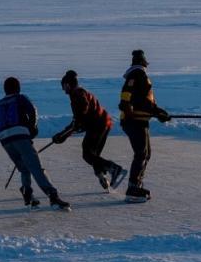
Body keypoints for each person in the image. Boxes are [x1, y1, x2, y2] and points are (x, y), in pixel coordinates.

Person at [0, 76, 70, 210]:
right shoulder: (20, 98)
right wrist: (32, 128)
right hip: (20, 136)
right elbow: (33, 111)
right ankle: (53, 196)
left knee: (24, 168)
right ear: (18, 88)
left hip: (5, 140)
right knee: (36, 167)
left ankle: (27, 193)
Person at [52, 70, 127, 191]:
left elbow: (80, 116)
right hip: (102, 123)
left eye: (63, 86)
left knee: (87, 154)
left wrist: (63, 135)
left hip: (98, 124)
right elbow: (78, 121)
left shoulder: (78, 94)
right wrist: (64, 134)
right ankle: (101, 175)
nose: (63, 90)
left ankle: (113, 169)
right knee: (92, 154)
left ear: (67, 85)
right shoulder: (79, 93)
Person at [118, 49, 170, 203]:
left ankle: (136, 185)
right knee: (141, 153)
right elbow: (142, 101)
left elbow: (140, 100)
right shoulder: (139, 74)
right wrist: (158, 112)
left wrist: (157, 112)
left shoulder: (134, 75)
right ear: (143, 63)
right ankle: (133, 189)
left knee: (145, 154)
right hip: (134, 120)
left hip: (137, 120)